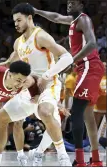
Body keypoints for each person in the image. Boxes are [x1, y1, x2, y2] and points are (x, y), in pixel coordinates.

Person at [0, 3, 74, 166]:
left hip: (49, 85)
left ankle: (63, 158)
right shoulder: (18, 43)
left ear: (29, 18)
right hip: (28, 88)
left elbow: (67, 58)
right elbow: (7, 64)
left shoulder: (40, 36)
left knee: (46, 113)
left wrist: (47, 76)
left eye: (19, 20)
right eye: (14, 21)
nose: (16, 24)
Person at [33, 0, 104, 166]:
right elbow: (56, 17)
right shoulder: (74, 20)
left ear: (82, 5)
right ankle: (96, 159)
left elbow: (92, 43)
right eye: (68, 2)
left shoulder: (83, 19)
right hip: (85, 67)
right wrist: (36, 11)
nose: (69, 4)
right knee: (87, 116)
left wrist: (72, 59)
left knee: (76, 113)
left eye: (74, 2)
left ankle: (79, 160)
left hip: (89, 65)